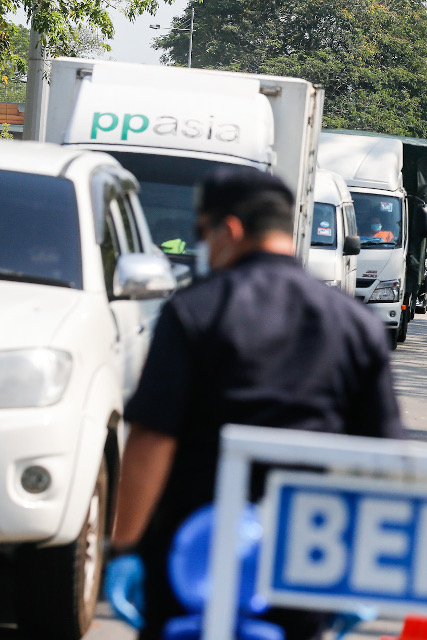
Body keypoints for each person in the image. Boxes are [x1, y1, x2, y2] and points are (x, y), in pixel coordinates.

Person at [107, 167, 405, 640]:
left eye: (202, 234)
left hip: (192, 563)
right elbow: (383, 460)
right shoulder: (355, 324)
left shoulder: (194, 311)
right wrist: (364, 570)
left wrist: (125, 547)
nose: (203, 248)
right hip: (305, 561)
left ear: (230, 230)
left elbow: (153, 439)